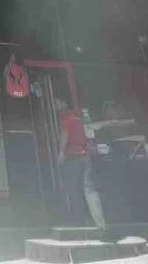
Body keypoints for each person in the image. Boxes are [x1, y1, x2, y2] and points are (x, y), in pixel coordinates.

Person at [54, 96, 91, 226]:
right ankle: (83, 217)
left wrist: (61, 152)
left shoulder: (65, 116)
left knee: (70, 187)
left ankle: (75, 219)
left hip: (72, 156)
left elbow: (64, 134)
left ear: (64, 103)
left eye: (57, 103)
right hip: (82, 156)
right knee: (79, 187)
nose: (55, 106)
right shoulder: (77, 117)